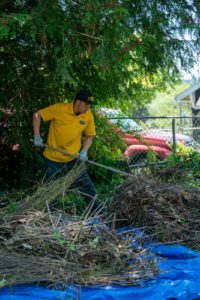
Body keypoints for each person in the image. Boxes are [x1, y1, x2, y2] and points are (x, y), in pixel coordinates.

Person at [33, 89, 97, 205]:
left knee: (88, 188)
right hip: (52, 160)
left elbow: (89, 136)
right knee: (50, 192)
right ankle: (50, 216)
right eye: (86, 104)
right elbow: (37, 115)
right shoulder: (59, 109)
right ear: (78, 102)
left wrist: (84, 151)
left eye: (90, 105)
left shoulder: (88, 115)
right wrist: (37, 136)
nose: (88, 108)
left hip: (73, 159)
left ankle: (97, 211)